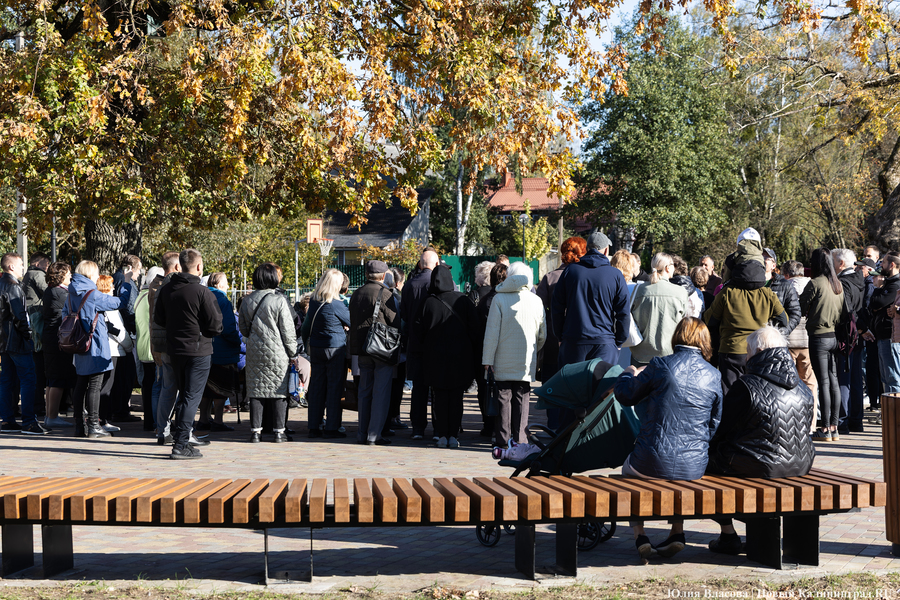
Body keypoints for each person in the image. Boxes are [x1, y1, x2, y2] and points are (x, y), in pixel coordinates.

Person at [614, 317, 722, 561]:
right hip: (694, 465)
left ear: (677, 337)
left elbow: (626, 394)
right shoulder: (714, 375)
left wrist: (627, 373)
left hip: (649, 460)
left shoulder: (660, 365)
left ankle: (640, 534)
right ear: (705, 341)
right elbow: (714, 423)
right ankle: (677, 531)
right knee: (679, 477)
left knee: (627, 470)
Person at [706, 326, 815, 555]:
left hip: (759, 465)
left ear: (758, 351)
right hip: (801, 465)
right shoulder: (803, 388)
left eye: (747, 351)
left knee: (703, 460)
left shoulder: (746, 386)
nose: (745, 356)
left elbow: (721, 429)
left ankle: (728, 533)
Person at [155, 249, 224, 458]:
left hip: (175, 349)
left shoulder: (167, 290)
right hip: (198, 350)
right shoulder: (202, 292)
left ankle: (181, 439)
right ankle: (181, 443)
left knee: (184, 395)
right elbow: (216, 325)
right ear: (199, 267)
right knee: (190, 397)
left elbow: (159, 319)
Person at [705, 230, 787, 394]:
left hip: (731, 351)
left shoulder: (727, 293)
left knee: (730, 395)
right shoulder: (768, 294)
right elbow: (784, 320)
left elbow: (709, 320)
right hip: (759, 351)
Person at [482, 261, 546, 449]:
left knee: (502, 398)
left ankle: (503, 441)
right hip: (526, 360)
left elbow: (492, 332)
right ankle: (520, 440)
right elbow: (542, 334)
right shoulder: (537, 300)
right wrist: (535, 352)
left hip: (502, 359)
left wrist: (487, 359)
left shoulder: (499, 299)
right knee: (522, 397)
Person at [66, 260, 133, 439]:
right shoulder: (92, 294)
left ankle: (79, 425)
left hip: (79, 344)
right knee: (95, 385)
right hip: (95, 344)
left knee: (80, 384)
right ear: (90, 274)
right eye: (96, 273)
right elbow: (120, 302)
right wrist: (126, 283)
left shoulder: (71, 293)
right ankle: (94, 425)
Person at [414, 264, 478, 448]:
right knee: (456, 398)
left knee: (439, 398)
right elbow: (475, 329)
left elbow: (417, 331)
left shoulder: (427, 302)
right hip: (460, 357)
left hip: (434, 358)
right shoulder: (463, 301)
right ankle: (453, 435)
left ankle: (441, 434)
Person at [238, 262, 299, 444]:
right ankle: (279, 432)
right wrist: (293, 353)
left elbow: (243, 328)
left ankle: (256, 432)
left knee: (256, 391)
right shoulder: (279, 300)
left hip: (255, 351)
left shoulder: (247, 300)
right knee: (279, 392)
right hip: (278, 352)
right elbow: (288, 331)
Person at [551, 231, 629, 368]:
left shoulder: (570, 271)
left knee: (573, 388)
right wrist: (618, 342)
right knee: (602, 388)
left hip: (573, 340)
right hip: (604, 342)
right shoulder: (615, 275)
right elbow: (623, 313)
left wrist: (560, 336)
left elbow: (556, 307)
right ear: (606, 250)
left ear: (587, 249)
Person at [349, 260, 400, 445]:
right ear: (384, 275)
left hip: (361, 348)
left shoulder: (357, 293)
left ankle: (361, 433)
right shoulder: (386, 293)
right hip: (381, 348)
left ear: (366, 274)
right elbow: (395, 321)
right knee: (381, 392)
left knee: (364, 390)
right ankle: (374, 434)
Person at [536, 238, 585, 429]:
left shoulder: (550, 278)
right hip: (577, 338)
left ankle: (553, 426)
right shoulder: (583, 276)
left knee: (551, 385)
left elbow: (539, 310)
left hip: (552, 340)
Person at [800, 248, 845, 442]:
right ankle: (834, 428)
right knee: (833, 381)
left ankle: (825, 428)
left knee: (823, 382)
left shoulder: (815, 283)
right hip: (833, 336)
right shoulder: (838, 284)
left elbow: (801, 307)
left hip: (818, 337)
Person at [301, 269, 350, 438]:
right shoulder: (337, 304)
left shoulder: (314, 302)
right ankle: (332, 427)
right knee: (334, 388)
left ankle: (314, 426)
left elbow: (306, 327)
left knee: (316, 388)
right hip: (335, 349)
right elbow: (352, 321)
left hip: (316, 348)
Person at [0, 252, 45, 434]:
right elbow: (19, 316)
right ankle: (28, 421)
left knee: (7, 381)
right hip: (17, 341)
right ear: (11, 266)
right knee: (28, 380)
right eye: (20, 265)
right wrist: (28, 335)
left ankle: (7, 420)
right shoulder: (13, 287)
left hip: (4, 342)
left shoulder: (3, 284)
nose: (22, 268)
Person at [196, 272, 240, 433]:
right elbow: (228, 328)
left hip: (203, 349)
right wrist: (237, 342)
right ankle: (218, 420)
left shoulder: (202, 297)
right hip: (223, 350)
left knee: (206, 387)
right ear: (220, 284)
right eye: (227, 282)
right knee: (221, 388)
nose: (228, 285)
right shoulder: (222, 300)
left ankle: (203, 418)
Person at [402, 249, 439, 439]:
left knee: (418, 388)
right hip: (434, 342)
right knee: (437, 387)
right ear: (436, 264)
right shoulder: (437, 284)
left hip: (414, 342)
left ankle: (417, 427)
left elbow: (403, 314)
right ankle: (438, 428)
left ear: (420, 264)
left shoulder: (409, 285)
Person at [629, 253, 688, 367]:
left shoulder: (639, 290)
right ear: (667, 268)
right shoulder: (680, 292)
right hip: (669, 353)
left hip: (641, 353)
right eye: (673, 265)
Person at [149, 251, 182, 444]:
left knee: (163, 386)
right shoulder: (167, 286)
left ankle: (161, 426)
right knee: (167, 388)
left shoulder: (156, 285)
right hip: (166, 343)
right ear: (176, 266)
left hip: (158, 341)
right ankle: (163, 426)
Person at [832, 249, 864, 435]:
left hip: (846, 338)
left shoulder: (842, 283)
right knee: (855, 380)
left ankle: (843, 421)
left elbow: (847, 311)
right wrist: (864, 329)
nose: (832, 265)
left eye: (834, 262)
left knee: (844, 380)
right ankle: (856, 421)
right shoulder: (860, 281)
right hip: (857, 337)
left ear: (841, 264)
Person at [41, 261, 75, 428]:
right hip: (57, 341)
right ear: (61, 275)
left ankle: (50, 415)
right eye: (68, 273)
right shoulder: (60, 293)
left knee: (52, 379)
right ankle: (52, 416)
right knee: (57, 379)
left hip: (51, 339)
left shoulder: (51, 290)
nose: (71, 275)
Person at [782, 260, 818, 416]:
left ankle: (791, 417)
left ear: (787, 274)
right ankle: (811, 422)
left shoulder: (785, 287)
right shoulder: (814, 285)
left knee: (788, 382)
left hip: (789, 340)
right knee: (810, 383)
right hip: (809, 340)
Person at [96, 274, 131, 433]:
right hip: (114, 350)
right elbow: (118, 331)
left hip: (106, 349)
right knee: (107, 387)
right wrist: (129, 346)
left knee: (102, 385)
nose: (115, 288)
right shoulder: (109, 304)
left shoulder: (99, 302)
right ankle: (103, 419)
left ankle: (101, 418)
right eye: (112, 285)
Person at [863, 251, 900, 398]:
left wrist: (877, 289)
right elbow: (873, 305)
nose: (881, 265)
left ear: (892, 265)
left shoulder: (895, 284)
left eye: (883, 262)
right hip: (882, 335)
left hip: (890, 335)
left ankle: (895, 413)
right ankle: (889, 411)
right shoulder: (888, 283)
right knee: (886, 376)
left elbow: (876, 302)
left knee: (892, 376)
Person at [135, 266, 163, 431]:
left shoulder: (140, 296)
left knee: (148, 385)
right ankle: (154, 421)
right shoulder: (150, 297)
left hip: (142, 346)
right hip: (151, 346)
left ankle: (149, 421)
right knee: (155, 387)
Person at [22, 252, 49, 419]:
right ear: (38, 263)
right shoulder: (37, 274)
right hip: (38, 321)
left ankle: (36, 404)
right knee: (39, 368)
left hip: (32, 321)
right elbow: (48, 291)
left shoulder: (26, 276)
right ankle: (38, 406)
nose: (47, 268)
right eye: (46, 264)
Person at [855, 257, 881, 413]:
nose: (858, 269)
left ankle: (874, 402)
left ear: (869, 271)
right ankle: (873, 401)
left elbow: (866, 309)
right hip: (866, 331)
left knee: (872, 369)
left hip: (871, 333)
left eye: (861, 267)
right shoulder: (863, 285)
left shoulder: (869, 286)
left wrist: (865, 328)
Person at [763, 248, 800, 338]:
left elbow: (795, 313)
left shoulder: (785, 285)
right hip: (754, 339)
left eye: (767, 258)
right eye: (761, 257)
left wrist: (781, 333)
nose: (763, 260)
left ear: (773, 265)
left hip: (775, 340)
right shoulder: (750, 284)